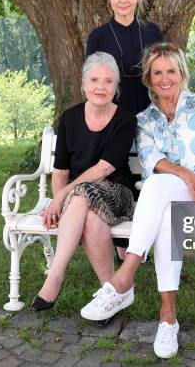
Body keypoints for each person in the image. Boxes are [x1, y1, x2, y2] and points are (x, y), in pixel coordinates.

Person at [80, 43, 195, 359]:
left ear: (181, 73)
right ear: (149, 79)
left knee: (157, 187)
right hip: (173, 194)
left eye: (171, 71)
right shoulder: (145, 119)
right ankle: (167, 318)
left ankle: (123, 279)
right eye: (158, 72)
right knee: (167, 214)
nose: (165, 78)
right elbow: (150, 158)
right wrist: (186, 174)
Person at [30, 52, 137, 311]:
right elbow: (60, 171)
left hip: (118, 195)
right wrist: (62, 199)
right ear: (83, 84)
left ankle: (55, 275)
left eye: (109, 81)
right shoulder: (69, 118)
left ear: (116, 87)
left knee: (81, 194)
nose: (101, 87)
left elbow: (104, 169)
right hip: (81, 201)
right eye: (95, 79)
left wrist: (61, 197)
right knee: (89, 217)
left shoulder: (125, 119)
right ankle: (110, 293)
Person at [86, 0, 164, 115]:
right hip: (113, 121)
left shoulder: (153, 32)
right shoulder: (97, 37)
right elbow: (93, 84)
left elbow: (166, 74)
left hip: (154, 118)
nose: (123, 0)